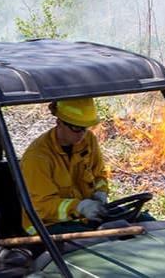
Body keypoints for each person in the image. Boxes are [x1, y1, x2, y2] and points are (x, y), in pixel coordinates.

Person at [20, 98, 111, 235]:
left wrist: (101, 193)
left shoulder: (88, 140)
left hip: (82, 218)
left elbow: (99, 174)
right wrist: (79, 207)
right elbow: (39, 207)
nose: (82, 134)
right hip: (47, 226)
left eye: (85, 128)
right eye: (76, 128)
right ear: (59, 122)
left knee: (142, 221)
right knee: (100, 244)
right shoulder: (38, 157)